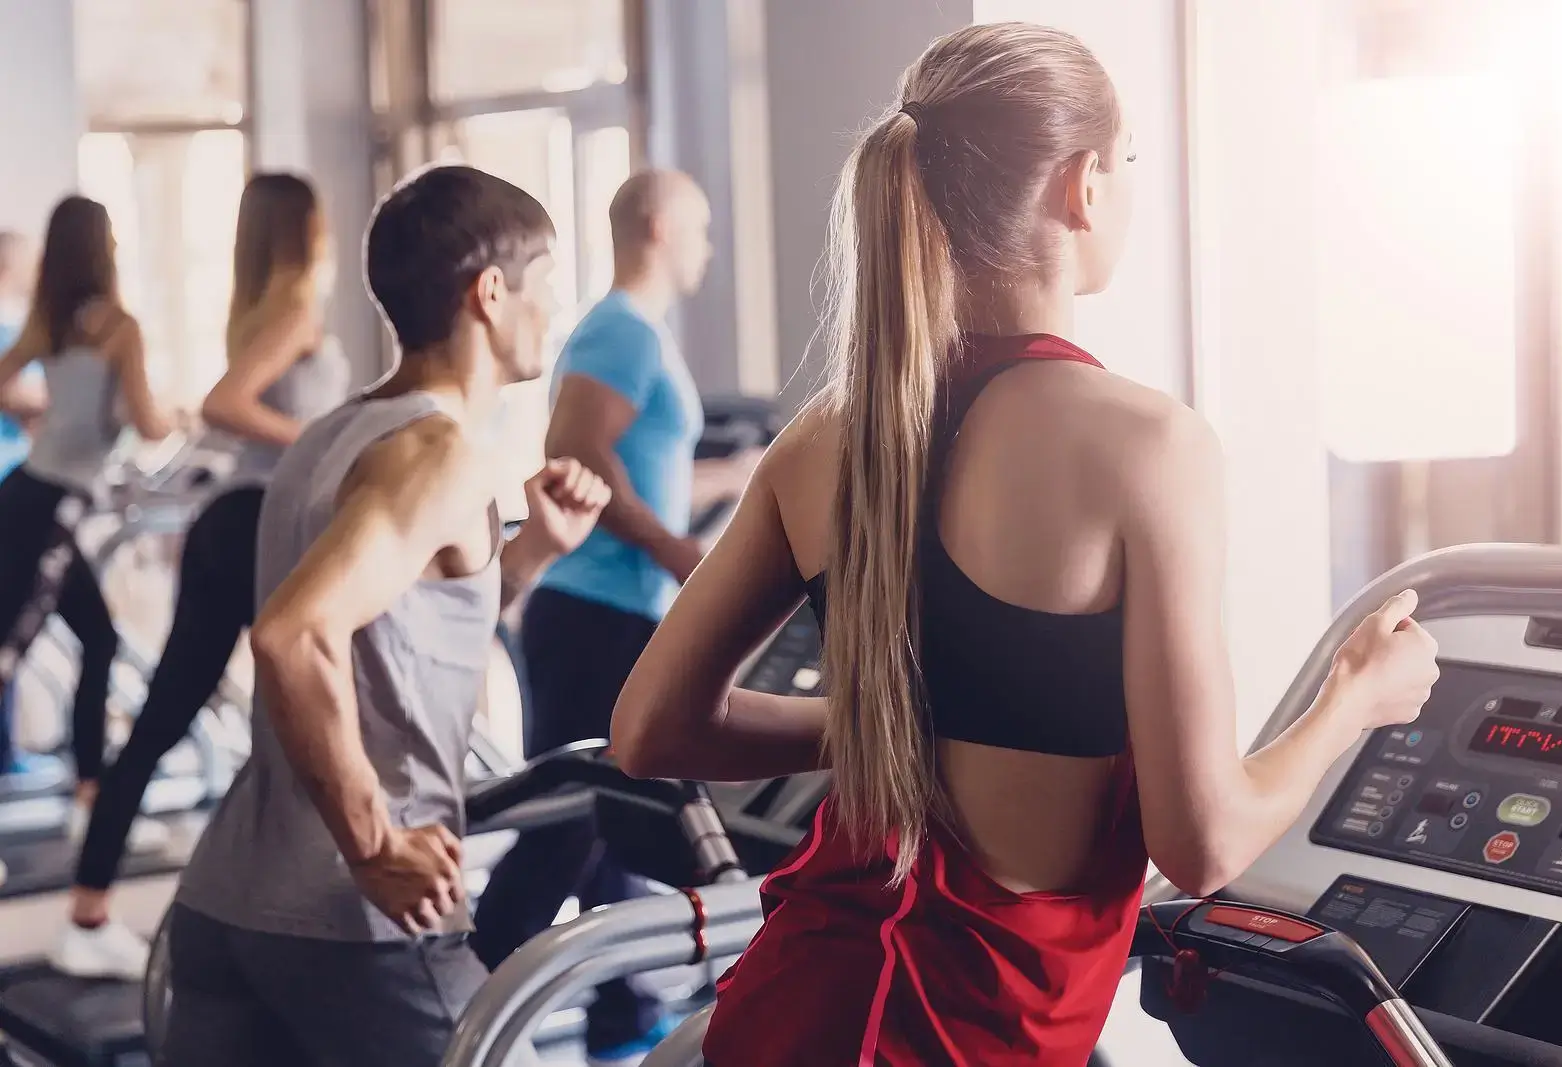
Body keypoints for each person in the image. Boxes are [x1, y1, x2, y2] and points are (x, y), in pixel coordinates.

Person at [610, 22, 1441, 1066]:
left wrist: (881, 722)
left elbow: (650, 728)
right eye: (1128, 160)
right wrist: (1353, 697)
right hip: (970, 1038)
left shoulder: (824, 436)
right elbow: (1203, 840)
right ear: (1083, 185)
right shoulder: (1149, 445)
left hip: (785, 1011)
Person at [162, 164, 611, 1067]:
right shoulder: (438, 452)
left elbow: (403, 625)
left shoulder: (333, 432)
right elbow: (294, 636)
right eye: (546, 281)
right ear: (490, 293)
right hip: (353, 919)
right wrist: (371, 843)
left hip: (226, 901)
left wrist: (533, 550)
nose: (555, 309)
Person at [471, 168, 756, 1066]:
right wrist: (679, 553)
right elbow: (576, 450)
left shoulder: (629, 333)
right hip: (597, 611)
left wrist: (738, 478)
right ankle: (460, 994)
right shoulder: (624, 330)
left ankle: (621, 1013)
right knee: (570, 823)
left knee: (614, 817)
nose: (708, 246)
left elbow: (635, 460)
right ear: (662, 226)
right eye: (700, 227)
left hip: (611, 609)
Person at [51, 173, 352, 982]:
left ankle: (89, 908)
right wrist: (328, 441)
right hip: (261, 522)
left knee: (175, 715)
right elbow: (227, 404)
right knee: (304, 718)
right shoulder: (295, 309)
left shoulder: (257, 307)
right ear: (307, 227)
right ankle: (289, 912)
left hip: (231, 519)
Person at [0, 197, 182, 849]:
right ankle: (89, 796)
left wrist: (40, 414)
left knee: (99, 641)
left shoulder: (51, 321)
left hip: (31, 495)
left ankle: (89, 801)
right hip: (49, 507)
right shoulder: (119, 328)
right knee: (7, 655)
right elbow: (149, 422)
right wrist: (182, 415)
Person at [0, 230, 57, 782]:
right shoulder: (11, 330)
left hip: (27, 483)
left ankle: (7, 752)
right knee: (12, 625)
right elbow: (19, 397)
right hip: (15, 489)